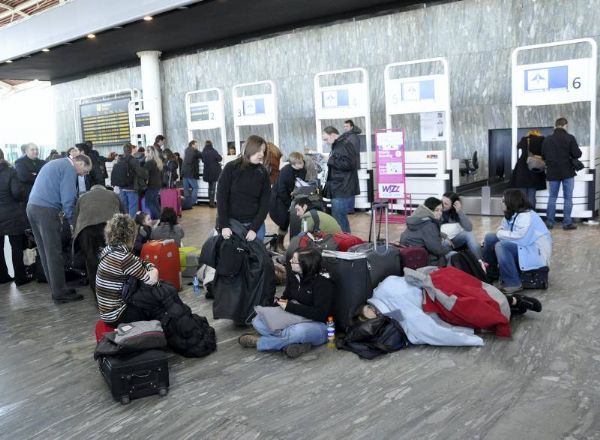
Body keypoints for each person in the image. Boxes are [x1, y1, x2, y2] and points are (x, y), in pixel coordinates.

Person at [238, 247, 334, 358]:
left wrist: (289, 306)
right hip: (296, 318)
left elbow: (321, 314)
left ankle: (261, 342)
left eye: (294, 260)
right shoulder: (294, 277)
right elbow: (286, 297)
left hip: (321, 325)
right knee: (258, 321)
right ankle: (294, 344)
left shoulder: (323, 284)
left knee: (298, 332)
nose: (289, 261)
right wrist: (276, 305)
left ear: (306, 264)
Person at [26, 154, 92, 303]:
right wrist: (72, 223)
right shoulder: (69, 168)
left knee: (45, 252)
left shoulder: (56, 163)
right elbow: (68, 199)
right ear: (79, 163)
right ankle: (60, 294)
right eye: (85, 171)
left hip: (32, 207)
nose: (83, 175)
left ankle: (57, 289)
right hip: (46, 211)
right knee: (54, 253)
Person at [483, 189, 552, 294]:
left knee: (501, 246)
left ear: (511, 202)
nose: (501, 203)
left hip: (534, 251)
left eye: (503, 201)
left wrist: (500, 233)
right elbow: (504, 229)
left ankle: (513, 283)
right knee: (490, 238)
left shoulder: (526, 216)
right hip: (525, 246)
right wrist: (500, 233)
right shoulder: (512, 214)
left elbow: (520, 239)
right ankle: (491, 273)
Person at [96, 214, 159, 324]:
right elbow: (152, 280)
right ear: (131, 235)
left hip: (106, 313)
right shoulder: (124, 258)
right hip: (118, 315)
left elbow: (138, 261)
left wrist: (147, 265)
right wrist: (154, 269)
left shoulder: (108, 250)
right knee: (156, 307)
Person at [217, 135, 271, 242]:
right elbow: (221, 198)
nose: (261, 154)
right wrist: (224, 225)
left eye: (263, 151)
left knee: (256, 254)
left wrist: (254, 228)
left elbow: (265, 203)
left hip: (255, 223)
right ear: (249, 149)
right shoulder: (231, 168)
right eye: (259, 150)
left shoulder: (263, 172)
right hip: (232, 223)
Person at [73, 184, 123, 293]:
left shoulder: (82, 198)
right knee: (113, 258)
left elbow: (75, 219)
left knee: (91, 262)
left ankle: (97, 294)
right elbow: (124, 215)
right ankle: (115, 289)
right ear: (104, 189)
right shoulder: (113, 195)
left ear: (91, 190)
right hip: (109, 227)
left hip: (86, 230)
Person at [541, 117, 582, 230]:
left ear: (555, 126)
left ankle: (549, 223)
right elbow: (577, 154)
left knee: (552, 197)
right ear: (565, 125)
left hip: (552, 172)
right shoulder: (570, 138)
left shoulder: (547, 139)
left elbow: (543, 155)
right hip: (567, 172)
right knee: (568, 198)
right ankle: (567, 223)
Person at [0, 149, 30, 286]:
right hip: (11, 214)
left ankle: (2, 276)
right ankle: (20, 278)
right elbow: (17, 192)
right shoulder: (10, 171)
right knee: (16, 247)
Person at [322, 126, 359, 233]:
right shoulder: (338, 145)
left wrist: (330, 160)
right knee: (338, 217)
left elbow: (350, 164)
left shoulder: (345, 144)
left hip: (342, 187)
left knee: (339, 218)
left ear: (333, 135)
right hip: (338, 186)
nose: (325, 142)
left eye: (326, 139)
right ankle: (345, 241)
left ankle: (346, 243)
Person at [269, 151, 307, 250]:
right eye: (299, 163)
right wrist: (289, 203)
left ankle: (292, 244)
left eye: (302, 162)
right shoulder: (285, 171)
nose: (302, 164)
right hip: (278, 198)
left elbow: (300, 183)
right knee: (284, 220)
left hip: (291, 196)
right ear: (293, 164)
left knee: (293, 219)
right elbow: (281, 190)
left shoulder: (303, 169)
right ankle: (279, 243)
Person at [400, 197, 454, 267]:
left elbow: (422, 233)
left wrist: (444, 235)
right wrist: (450, 248)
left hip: (410, 258)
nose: (440, 213)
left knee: (446, 242)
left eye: (441, 210)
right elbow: (438, 250)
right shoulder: (429, 225)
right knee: (454, 254)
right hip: (424, 261)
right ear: (429, 210)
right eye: (436, 210)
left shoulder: (417, 219)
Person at [509, 130, 546, 208]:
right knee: (532, 195)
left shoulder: (524, 139)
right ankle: (531, 214)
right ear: (538, 134)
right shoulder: (542, 140)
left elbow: (518, 146)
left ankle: (522, 214)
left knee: (522, 196)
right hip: (535, 168)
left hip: (522, 168)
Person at [440, 192, 481, 259]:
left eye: (446, 204)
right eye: (441, 202)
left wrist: (459, 211)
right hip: (442, 240)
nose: (442, 205)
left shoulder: (456, 213)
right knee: (445, 242)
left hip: (454, 240)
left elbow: (469, 228)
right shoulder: (436, 210)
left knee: (468, 234)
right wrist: (444, 236)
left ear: (453, 205)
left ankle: (480, 262)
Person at [112, 143, 147, 218]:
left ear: (123, 150)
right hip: (131, 187)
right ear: (131, 150)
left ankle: (126, 223)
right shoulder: (133, 160)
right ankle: (132, 224)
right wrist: (146, 175)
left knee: (124, 207)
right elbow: (140, 172)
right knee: (133, 207)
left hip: (121, 187)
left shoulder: (119, 159)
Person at [343, 119, 362, 215]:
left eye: (347, 126)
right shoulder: (348, 136)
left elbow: (352, 152)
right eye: (344, 126)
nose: (345, 128)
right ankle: (348, 208)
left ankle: (349, 208)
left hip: (350, 165)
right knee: (348, 186)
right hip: (349, 164)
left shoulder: (353, 137)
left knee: (349, 186)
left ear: (351, 127)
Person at [143, 145, 163, 220]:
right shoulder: (157, 161)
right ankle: (160, 217)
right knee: (155, 203)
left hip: (151, 185)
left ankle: (158, 218)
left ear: (148, 152)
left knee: (148, 203)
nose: (144, 152)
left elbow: (144, 174)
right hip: (157, 185)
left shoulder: (149, 163)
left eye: (145, 151)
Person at [201, 140, 222, 208]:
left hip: (207, 172)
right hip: (214, 171)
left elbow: (203, 160)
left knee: (209, 187)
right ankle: (212, 203)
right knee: (213, 187)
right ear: (211, 144)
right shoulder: (213, 151)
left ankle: (210, 200)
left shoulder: (203, 152)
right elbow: (219, 159)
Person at [182, 140, 202, 207]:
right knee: (195, 187)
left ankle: (187, 202)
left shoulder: (186, 150)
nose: (197, 146)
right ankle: (193, 202)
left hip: (184, 172)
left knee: (186, 188)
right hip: (191, 172)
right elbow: (201, 154)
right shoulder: (194, 151)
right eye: (196, 145)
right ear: (192, 145)